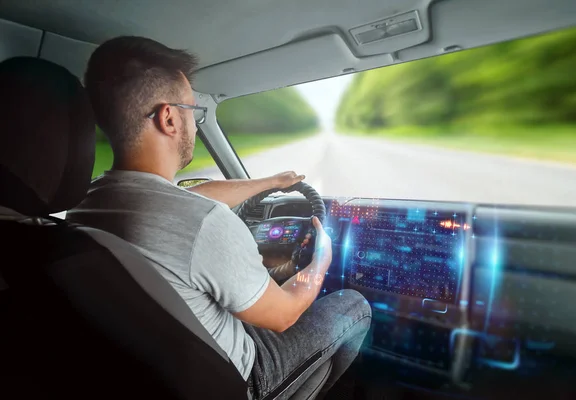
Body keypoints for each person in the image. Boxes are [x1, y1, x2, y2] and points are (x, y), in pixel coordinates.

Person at [66, 36, 371, 399]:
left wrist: (272, 182)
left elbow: (187, 200)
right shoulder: (204, 224)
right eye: (193, 111)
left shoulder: (90, 199)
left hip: (150, 368)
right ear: (169, 118)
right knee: (354, 306)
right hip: (236, 379)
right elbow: (285, 314)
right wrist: (321, 260)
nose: (195, 125)